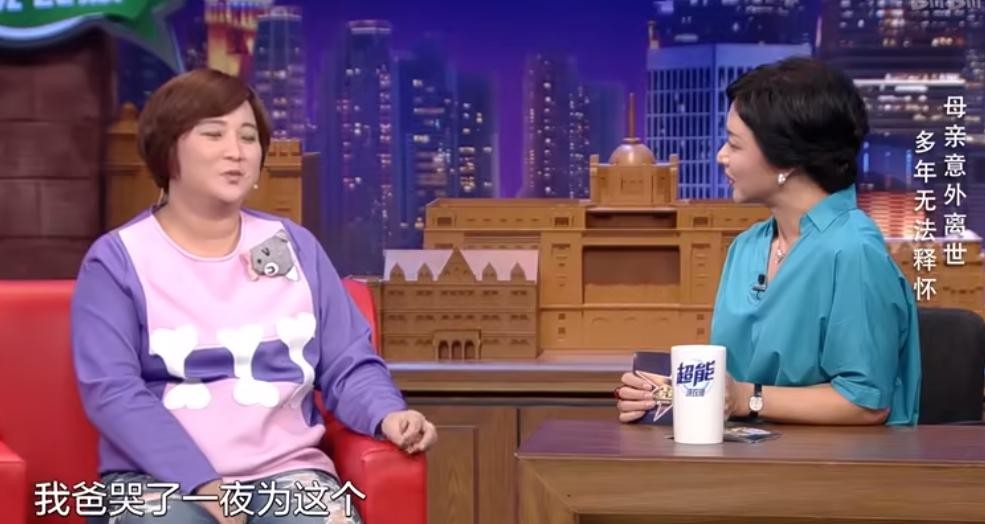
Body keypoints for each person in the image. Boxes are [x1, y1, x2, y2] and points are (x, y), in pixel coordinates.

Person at [71, 68, 436, 524]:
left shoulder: (295, 245)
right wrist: (201, 484)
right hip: (155, 479)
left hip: (287, 472)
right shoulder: (117, 260)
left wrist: (387, 415)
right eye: (213, 134)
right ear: (168, 150)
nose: (236, 151)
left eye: (248, 137)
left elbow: (347, 363)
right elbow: (113, 391)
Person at [615, 56, 921, 427]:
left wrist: (747, 398)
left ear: (786, 160)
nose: (721, 156)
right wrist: (662, 394)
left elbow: (865, 403)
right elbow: (729, 388)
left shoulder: (854, 252)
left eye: (734, 145)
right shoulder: (746, 248)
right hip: (744, 453)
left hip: (835, 461)